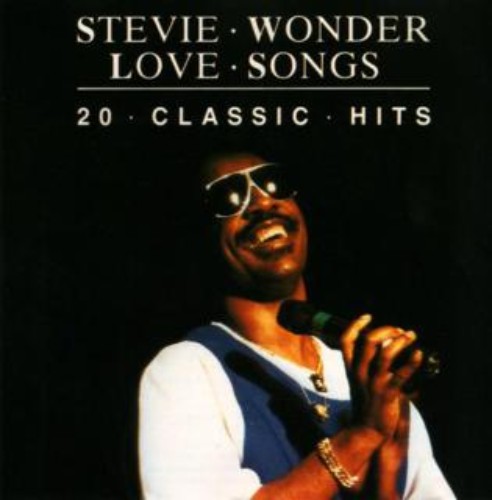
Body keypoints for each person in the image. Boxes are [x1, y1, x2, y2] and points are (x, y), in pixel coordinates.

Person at [138, 152, 455, 499]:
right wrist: (361, 436)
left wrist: (387, 474)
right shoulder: (186, 369)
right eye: (229, 196)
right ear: (200, 239)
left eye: (273, 182)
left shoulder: (372, 381)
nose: (262, 203)